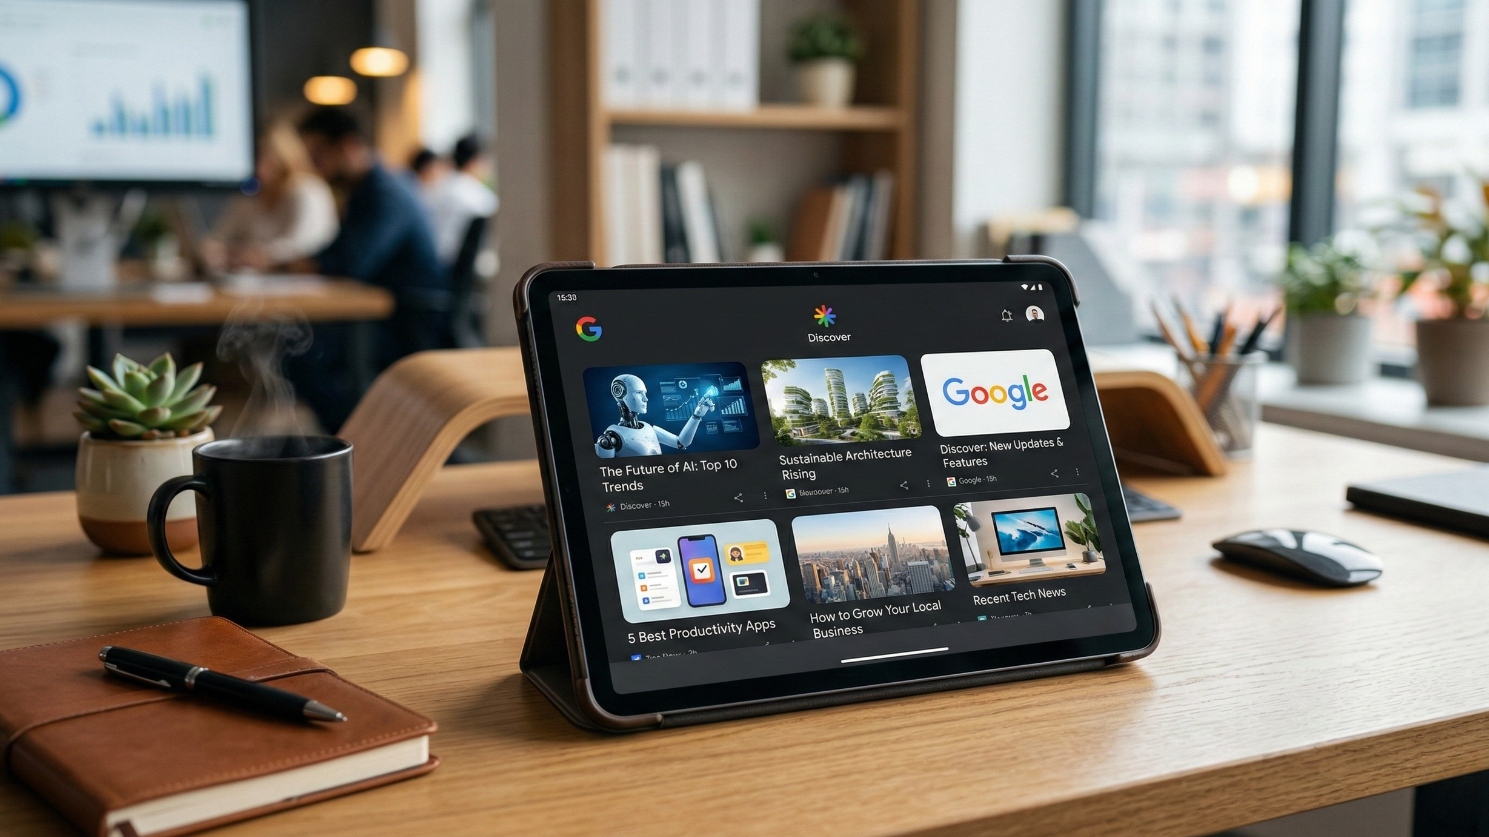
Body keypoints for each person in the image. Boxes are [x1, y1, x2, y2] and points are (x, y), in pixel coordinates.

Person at [288, 107, 453, 431]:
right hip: (389, 314)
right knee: (298, 345)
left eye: (319, 153)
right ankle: (354, 443)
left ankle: (354, 444)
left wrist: (289, 265)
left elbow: (351, 263)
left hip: (409, 323)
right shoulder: (369, 188)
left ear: (348, 146)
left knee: (299, 351)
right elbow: (337, 253)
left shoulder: (384, 193)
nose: (314, 164)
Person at [201, 123, 338, 272]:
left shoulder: (307, 190)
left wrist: (258, 255)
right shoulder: (251, 192)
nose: (250, 165)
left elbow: (303, 245)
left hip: (312, 281)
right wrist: (213, 251)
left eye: (258, 157)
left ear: (280, 156)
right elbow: (219, 236)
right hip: (265, 282)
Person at [425, 134, 498, 265]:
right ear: (474, 161)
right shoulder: (481, 198)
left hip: (428, 265)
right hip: (456, 270)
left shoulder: (434, 189)